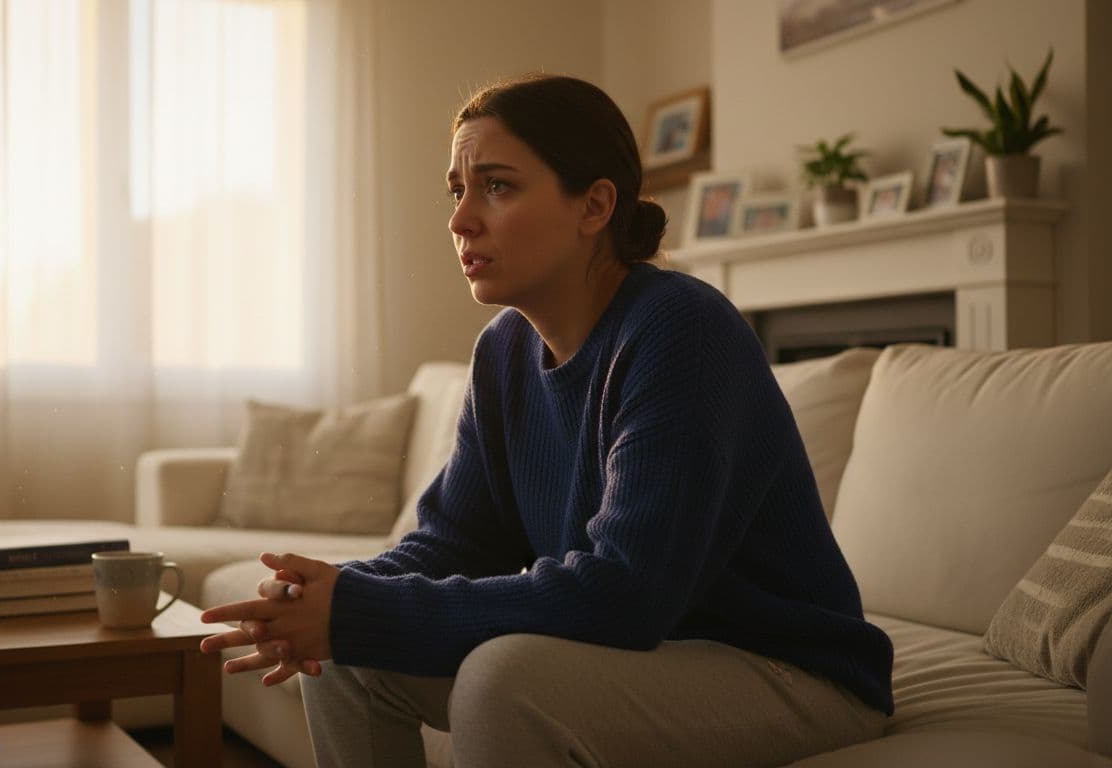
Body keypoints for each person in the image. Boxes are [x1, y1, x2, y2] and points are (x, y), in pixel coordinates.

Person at [199, 73, 894, 768]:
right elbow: (452, 541)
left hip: (790, 670)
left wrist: (360, 609)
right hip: (653, 655)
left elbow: (626, 593)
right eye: (457, 190)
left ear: (594, 205)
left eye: (496, 186)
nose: (460, 219)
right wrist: (334, 595)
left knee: (500, 683)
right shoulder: (503, 351)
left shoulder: (682, 331)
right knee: (349, 652)